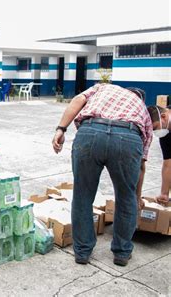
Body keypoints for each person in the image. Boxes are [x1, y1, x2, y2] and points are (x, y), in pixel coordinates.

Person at [52, 83, 152, 267]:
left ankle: (82, 252)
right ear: (139, 98)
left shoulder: (103, 87)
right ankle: (122, 253)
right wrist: (136, 197)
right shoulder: (143, 111)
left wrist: (61, 129)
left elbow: (78, 99)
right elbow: (141, 166)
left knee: (82, 195)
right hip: (128, 137)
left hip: (90, 132)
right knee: (125, 198)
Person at [147, 105, 171, 204]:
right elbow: (168, 164)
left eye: (156, 127)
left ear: (163, 116)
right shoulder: (166, 134)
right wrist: (164, 193)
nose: (156, 132)